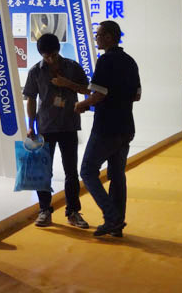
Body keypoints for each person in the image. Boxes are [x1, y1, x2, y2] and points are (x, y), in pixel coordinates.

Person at [69, 20, 141, 237]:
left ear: (109, 37)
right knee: (117, 175)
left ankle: (112, 217)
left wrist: (81, 104)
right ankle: (116, 224)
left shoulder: (105, 61)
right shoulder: (130, 61)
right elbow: (136, 96)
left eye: (99, 34)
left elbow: (99, 94)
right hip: (126, 126)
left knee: (88, 170)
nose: (96, 38)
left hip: (106, 127)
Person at [22, 33, 90, 229]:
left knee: (71, 171)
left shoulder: (72, 67)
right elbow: (31, 98)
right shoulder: (35, 71)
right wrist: (30, 125)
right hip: (45, 127)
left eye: (53, 55)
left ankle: (73, 212)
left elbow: (87, 90)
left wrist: (67, 83)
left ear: (58, 50)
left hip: (69, 124)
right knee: (44, 171)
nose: (50, 59)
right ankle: (44, 210)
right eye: (46, 56)